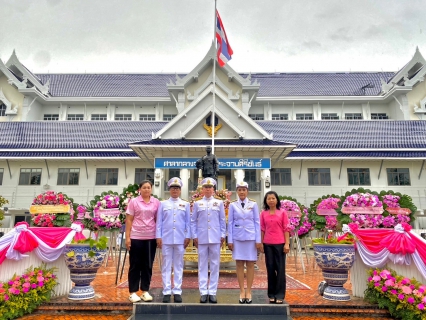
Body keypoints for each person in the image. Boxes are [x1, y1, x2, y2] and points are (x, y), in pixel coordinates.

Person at [190, 178, 226, 304]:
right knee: (202, 265)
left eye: (210, 187)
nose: (208, 189)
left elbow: (222, 220)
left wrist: (222, 235)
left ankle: (213, 292)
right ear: (202, 189)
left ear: (214, 189)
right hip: (201, 238)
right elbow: (193, 221)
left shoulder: (219, 203)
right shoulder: (197, 203)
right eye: (206, 187)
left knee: (215, 265)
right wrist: (194, 236)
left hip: (216, 238)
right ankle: (203, 292)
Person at [156, 177, 191, 303]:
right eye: (172, 188)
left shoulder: (185, 204)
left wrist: (188, 236)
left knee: (178, 265)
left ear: (180, 190)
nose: (175, 190)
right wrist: (158, 237)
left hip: (180, 239)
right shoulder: (163, 204)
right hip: (166, 239)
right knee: (166, 266)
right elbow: (159, 222)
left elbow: (188, 223)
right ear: (169, 190)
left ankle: (177, 290)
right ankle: (166, 290)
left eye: (177, 188)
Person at [125, 180, 160, 303]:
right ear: (140, 189)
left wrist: (158, 236)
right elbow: (129, 220)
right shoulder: (134, 202)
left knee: (148, 265)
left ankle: (145, 290)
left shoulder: (156, 202)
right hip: (136, 237)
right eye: (144, 187)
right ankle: (133, 292)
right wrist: (127, 237)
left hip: (150, 237)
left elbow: (157, 220)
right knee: (135, 265)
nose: (146, 189)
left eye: (148, 187)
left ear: (151, 189)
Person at [227, 181, 261, 304]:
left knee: (251, 264)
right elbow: (230, 223)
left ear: (247, 191)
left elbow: (257, 222)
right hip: (237, 238)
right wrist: (230, 240)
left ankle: (249, 291)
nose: (242, 192)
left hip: (251, 238)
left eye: (244, 189)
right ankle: (241, 290)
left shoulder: (253, 204)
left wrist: (258, 240)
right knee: (239, 264)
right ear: (237, 191)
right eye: (239, 190)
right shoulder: (233, 205)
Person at [260, 191, 290, 304]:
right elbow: (262, 229)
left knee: (280, 270)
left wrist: (287, 244)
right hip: (268, 244)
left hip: (280, 244)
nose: (271, 200)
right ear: (266, 201)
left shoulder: (282, 213)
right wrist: (261, 243)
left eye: (273, 198)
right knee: (270, 270)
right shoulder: (263, 213)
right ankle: (271, 294)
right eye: (269, 199)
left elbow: (286, 228)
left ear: (277, 200)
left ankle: (280, 295)